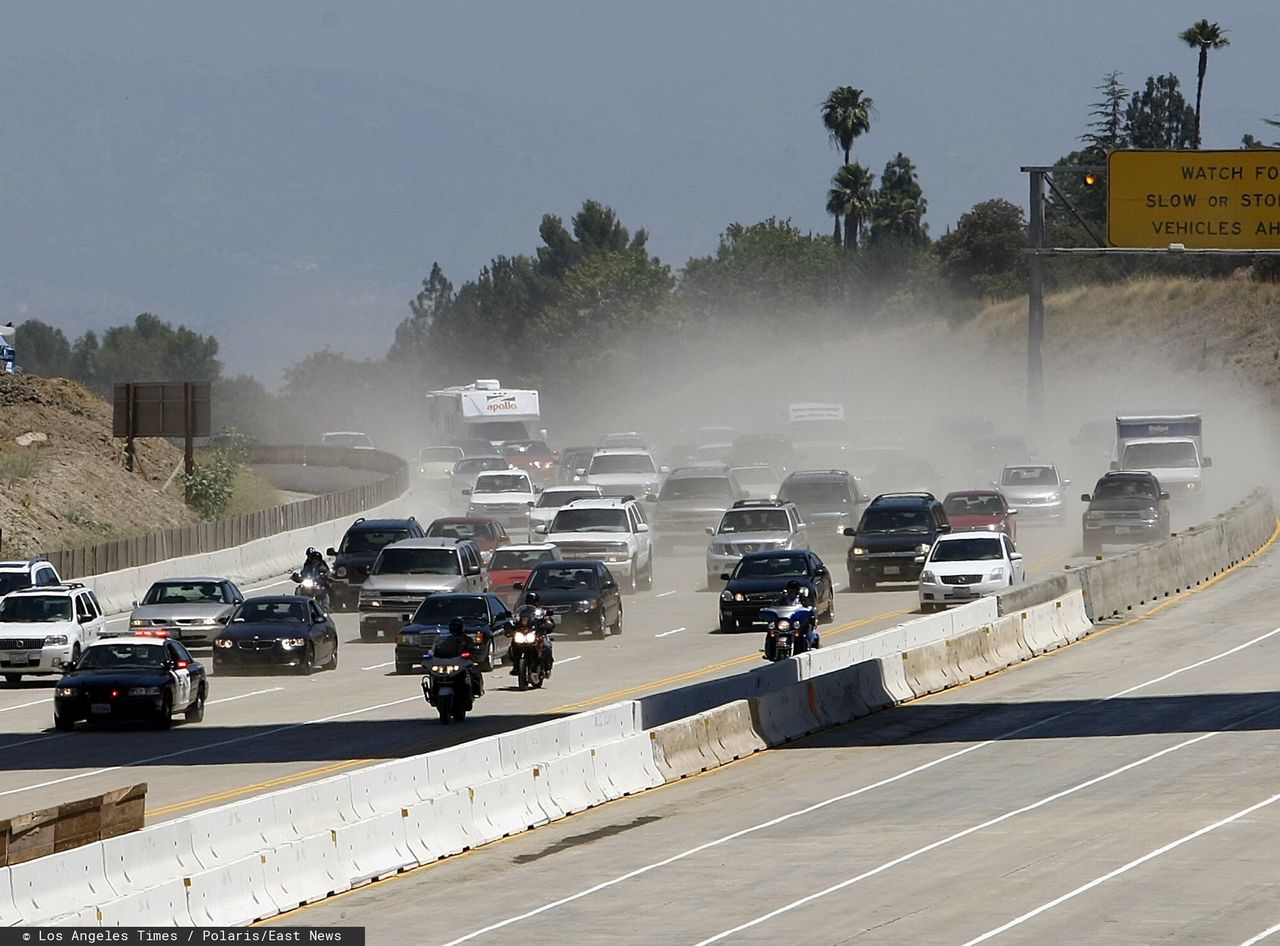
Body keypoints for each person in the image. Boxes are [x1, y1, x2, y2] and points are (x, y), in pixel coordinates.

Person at [431, 617, 485, 697]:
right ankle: (432, 692)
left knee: (474, 674)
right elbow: (437, 650)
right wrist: (433, 656)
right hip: (446, 663)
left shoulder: (466, 640)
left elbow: (473, 650)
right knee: (433, 674)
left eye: (457, 626)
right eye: (454, 626)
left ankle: (473, 691)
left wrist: (470, 655)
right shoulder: (443, 639)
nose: (455, 628)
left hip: (460, 664)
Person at [506, 593, 554, 677]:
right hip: (524, 633)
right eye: (529, 601)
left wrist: (547, 621)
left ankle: (547, 667)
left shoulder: (540, 612)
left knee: (546, 646)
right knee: (512, 646)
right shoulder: (522, 612)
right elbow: (515, 619)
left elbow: (549, 622)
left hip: (537, 634)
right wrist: (510, 624)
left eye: (533, 601)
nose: (531, 602)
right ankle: (516, 665)